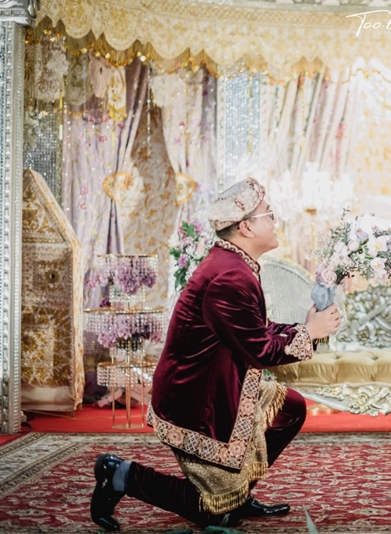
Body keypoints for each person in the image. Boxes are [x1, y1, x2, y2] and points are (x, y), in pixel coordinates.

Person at [90, 178, 340, 531]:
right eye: (269, 214)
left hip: (222, 384)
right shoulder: (229, 275)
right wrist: (309, 332)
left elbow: (255, 329)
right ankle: (119, 474)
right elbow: (260, 350)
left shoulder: (234, 263)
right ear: (246, 227)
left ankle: (236, 493)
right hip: (196, 400)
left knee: (290, 408)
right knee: (213, 514)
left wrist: (307, 328)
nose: (276, 221)